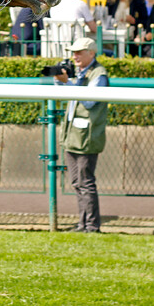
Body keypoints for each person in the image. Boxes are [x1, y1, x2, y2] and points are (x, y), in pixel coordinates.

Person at [55, 37, 109, 233]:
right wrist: (61, 83)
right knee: (77, 182)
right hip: (73, 135)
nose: (74, 56)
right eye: (73, 52)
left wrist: (67, 83)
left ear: (91, 53)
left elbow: (89, 102)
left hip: (87, 136)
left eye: (79, 52)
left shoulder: (99, 74)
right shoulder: (82, 73)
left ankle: (92, 226)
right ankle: (83, 225)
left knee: (85, 182)